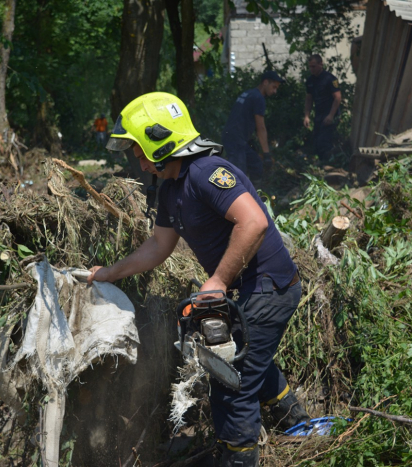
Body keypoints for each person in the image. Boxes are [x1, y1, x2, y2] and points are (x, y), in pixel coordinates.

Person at [90, 92, 309, 467]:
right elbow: (159, 245)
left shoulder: (206, 173)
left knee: (232, 382)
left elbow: (253, 221)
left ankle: (239, 458)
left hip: (271, 286)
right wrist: (107, 273)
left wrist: (219, 281)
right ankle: (298, 423)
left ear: (162, 141)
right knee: (249, 355)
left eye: (141, 152)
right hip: (250, 288)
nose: (140, 163)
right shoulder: (171, 188)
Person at [221, 70, 284, 181]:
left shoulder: (248, 93)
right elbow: (261, 128)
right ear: (265, 82)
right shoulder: (258, 98)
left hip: (235, 138)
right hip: (236, 141)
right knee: (238, 176)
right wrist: (266, 154)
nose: (275, 91)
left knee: (256, 164)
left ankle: (254, 193)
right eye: (274, 87)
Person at [303, 54, 342, 159]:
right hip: (319, 114)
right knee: (316, 142)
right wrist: (307, 116)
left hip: (330, 114)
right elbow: (309, 99)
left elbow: (337, 98)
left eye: (314, 66)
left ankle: (328, 164)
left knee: (324, 142)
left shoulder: (330, 79)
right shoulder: (310, 81)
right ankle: (321, 165)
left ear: (321, 64)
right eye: (310, 66)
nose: (311, 69)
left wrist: (330, 115)